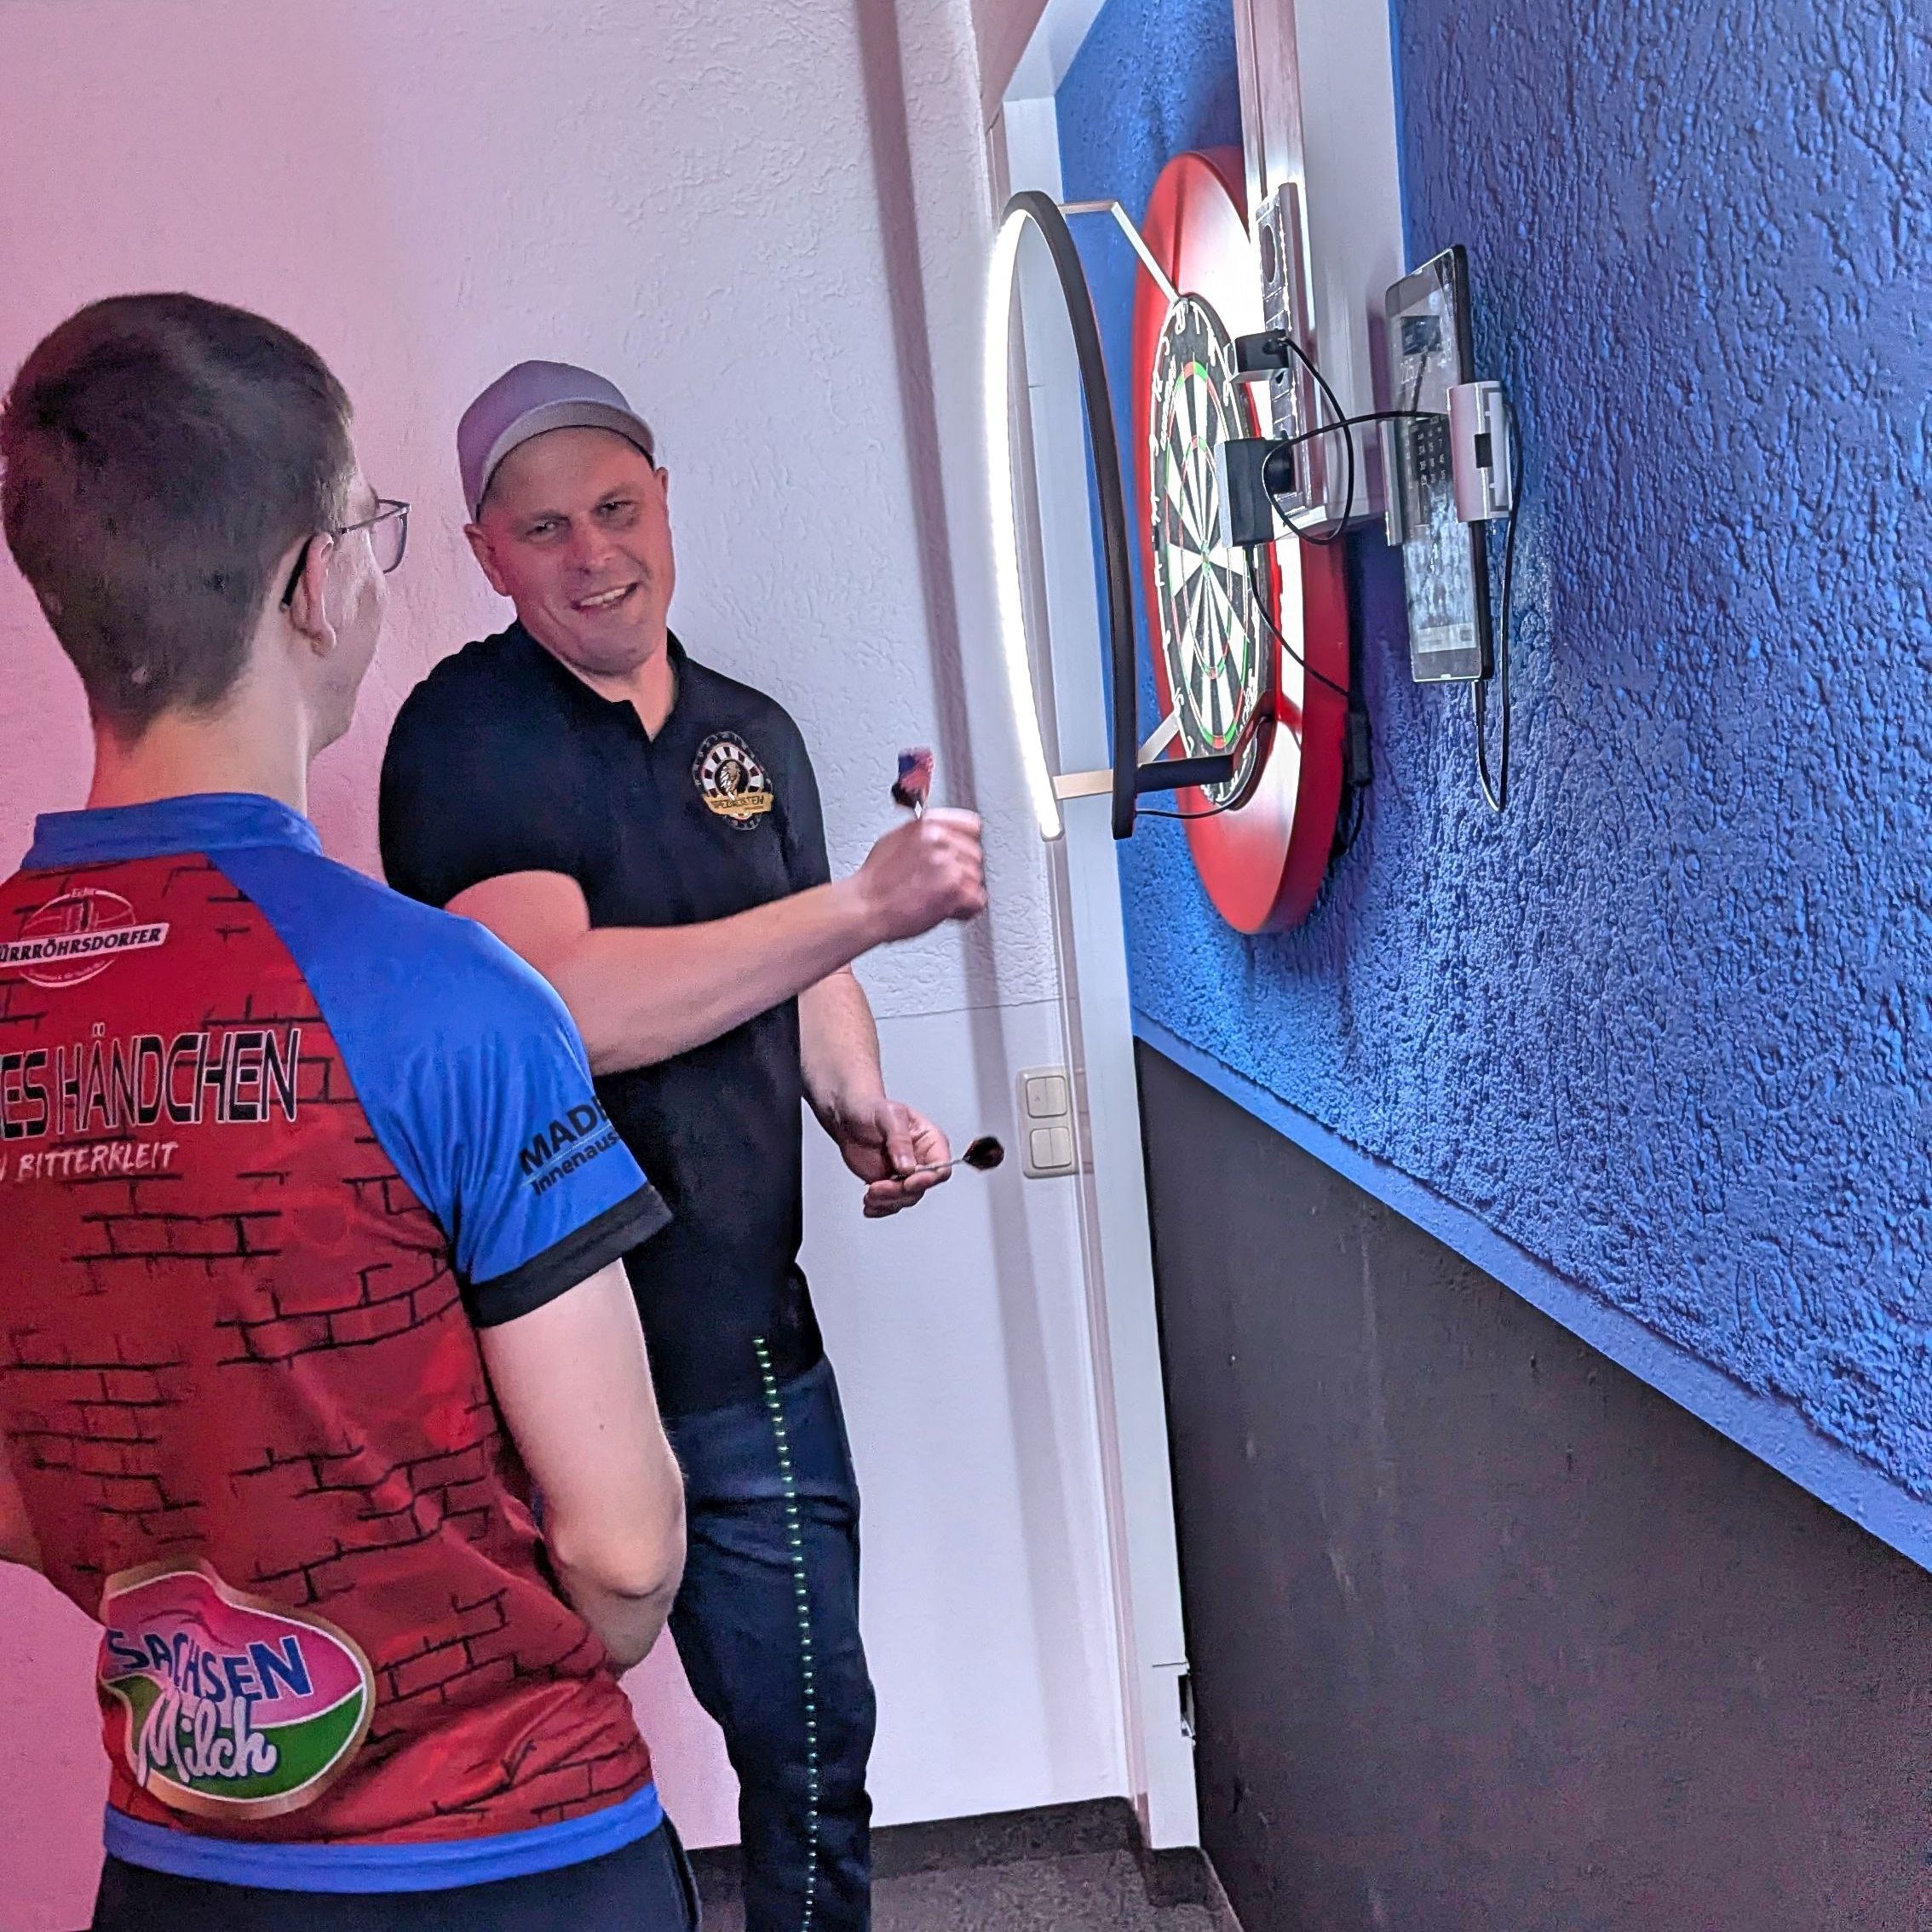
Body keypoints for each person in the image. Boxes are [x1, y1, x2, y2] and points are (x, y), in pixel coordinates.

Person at [0, 298, 697, 1930]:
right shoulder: (448, 999)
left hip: (181, 1869)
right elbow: (624, 1550)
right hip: (515, 1856)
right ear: (318, 582)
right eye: (369, 524)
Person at [378, 360, 988, 1931]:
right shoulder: (466, 734)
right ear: (486, 554)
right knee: (528, 1774)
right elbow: (563, 1010)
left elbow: (807, 968)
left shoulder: (751, 735)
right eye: (544, 530)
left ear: (664, 503)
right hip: (534, 1373)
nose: (593, 555)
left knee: (814, 1746)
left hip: (744, 1351)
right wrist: (861, 903)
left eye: (616, 509)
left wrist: (860, 1105)